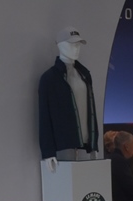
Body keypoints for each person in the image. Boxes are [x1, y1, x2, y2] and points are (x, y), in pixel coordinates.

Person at [38, 27, 99, 172]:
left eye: (78, 45)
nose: (76, 48)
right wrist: (48, 152)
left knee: (88, 183)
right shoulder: (49, 78)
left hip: (87, 146)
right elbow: (44, 117)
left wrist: (94, 143)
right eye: (71, 44)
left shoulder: (85, 75)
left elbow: (91, 111)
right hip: (64, 146)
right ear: (60, 45)